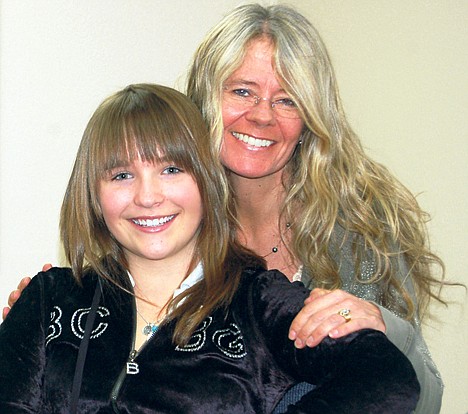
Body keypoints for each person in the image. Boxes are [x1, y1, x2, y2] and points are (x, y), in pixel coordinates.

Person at [2, 4, 445, 413]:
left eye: (287, 99)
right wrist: (48, 319)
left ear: (311, 117)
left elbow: (412, 392)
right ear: (204, 101)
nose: (262, 116)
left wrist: (385, 326)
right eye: (243, 91)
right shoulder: (165, 219)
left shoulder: (359, 231)